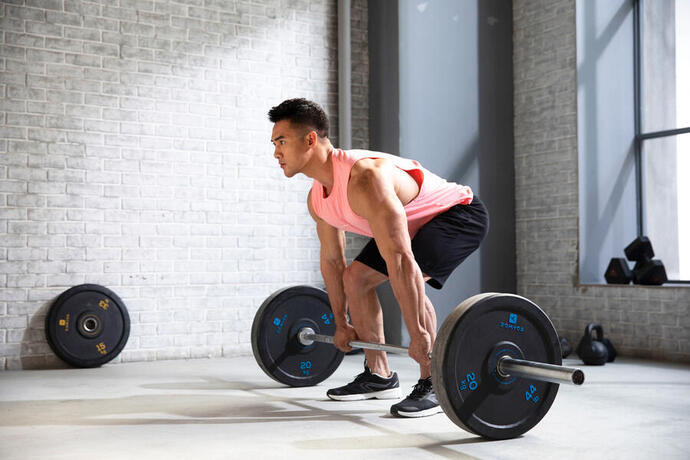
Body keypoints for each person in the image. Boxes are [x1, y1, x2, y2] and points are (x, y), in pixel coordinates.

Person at [267, 98, 489, 417]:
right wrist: (341, 323)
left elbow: (400, 259)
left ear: (310, 139)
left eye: (282, 142)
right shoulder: (318, 199)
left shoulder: (364, 178)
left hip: (455, 215)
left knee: (412, 276)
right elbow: (332, 262)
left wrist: (418, 335)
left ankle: (435, 380)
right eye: (275, 143)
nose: (276, 152)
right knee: (355, 279)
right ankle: (379, 376)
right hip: (411, 224)